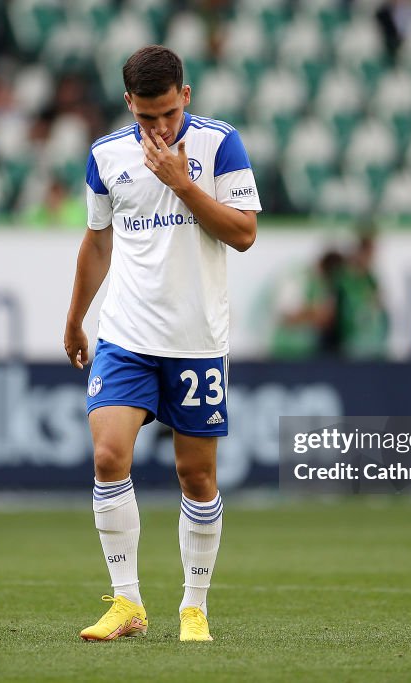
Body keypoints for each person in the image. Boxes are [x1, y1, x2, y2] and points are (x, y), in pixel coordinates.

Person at [64, 45, 260, 641]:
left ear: (187, 97)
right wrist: (76, 318)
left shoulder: (220, 146)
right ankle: (128, 603)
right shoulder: (106, 155)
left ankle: (193, 607)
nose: (160, 127)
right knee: (106, 457)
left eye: (169, 114)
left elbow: (245, 234)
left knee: (196, 476)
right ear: (129, 104)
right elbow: (98, 241)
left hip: (197, 339)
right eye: (147, 117)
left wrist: (182, 185)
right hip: (126, 334)